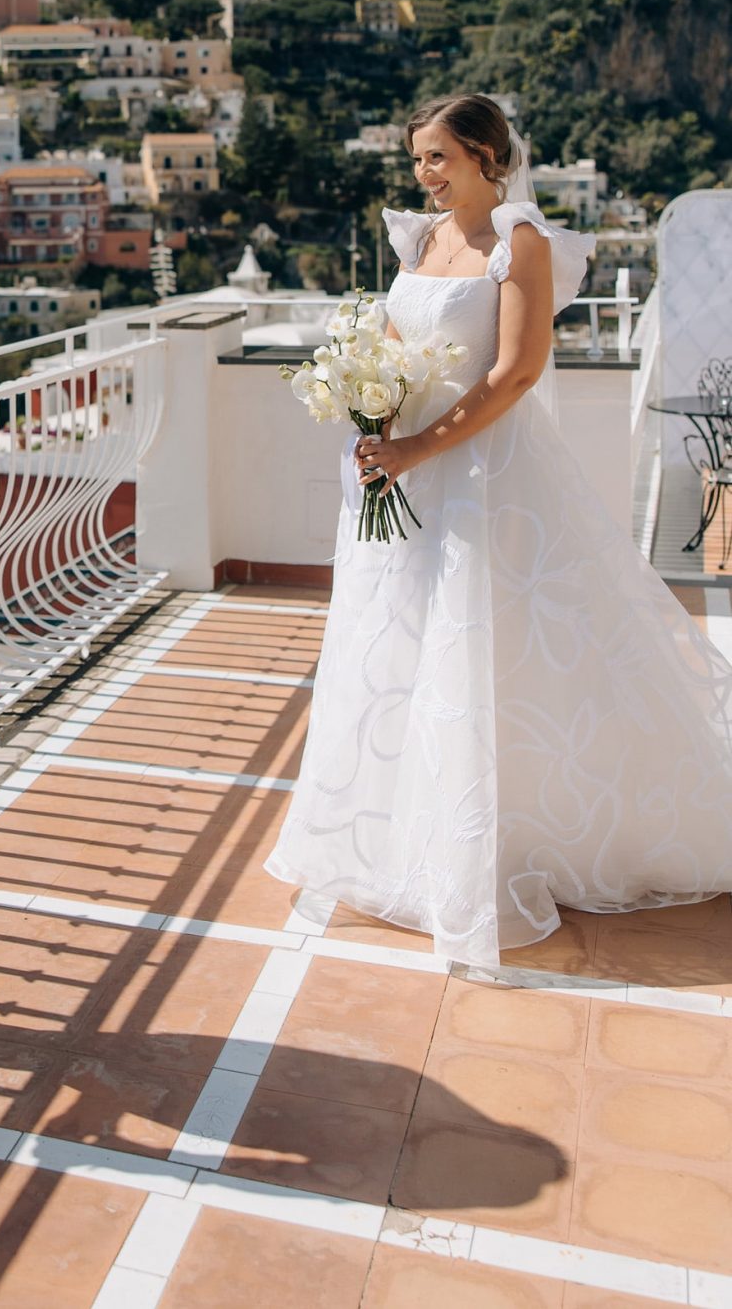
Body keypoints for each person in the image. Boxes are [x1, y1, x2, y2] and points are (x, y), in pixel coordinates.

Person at [266, 92, 732, 970]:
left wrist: (418, 447)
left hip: (485, 475)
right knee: (402, 644)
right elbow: (391, 349)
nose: (424, 175)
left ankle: (515, 836)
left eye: (438, 157)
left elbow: (517, 372)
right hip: (402, 469)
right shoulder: (420, 240)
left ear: (486, 155)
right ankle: (402, 837)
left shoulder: (521, 241)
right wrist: (373, 417)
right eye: (417, 159)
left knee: (493, 648)